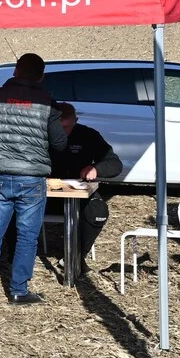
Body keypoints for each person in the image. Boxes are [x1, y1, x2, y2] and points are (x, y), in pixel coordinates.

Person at [0, 52, 66, 303]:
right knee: (27, 235)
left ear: (15, 72)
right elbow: (58, 142)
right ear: (41, 76)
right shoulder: (47, 102)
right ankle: (18, 290)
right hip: (32, 177)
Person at [51, 101, 123, 258]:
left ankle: (78, 254)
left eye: (67, 128)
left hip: (78, 195)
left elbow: (115, 164)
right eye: (58, 128)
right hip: (44, 195)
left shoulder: (88, 135)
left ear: (75, 121)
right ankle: (14, 256)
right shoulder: (40, 136)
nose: (62, 133)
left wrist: (96, 169)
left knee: (98, 211)